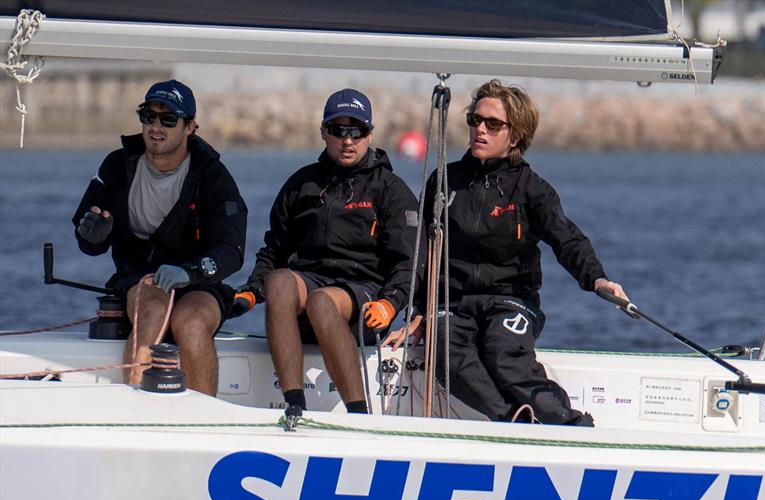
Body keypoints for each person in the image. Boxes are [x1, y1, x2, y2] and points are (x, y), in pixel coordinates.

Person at [386, 79, 628, 426]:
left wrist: (597, 279)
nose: (479, 130)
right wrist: (419, 311)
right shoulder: (444, 181)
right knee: (440, 348)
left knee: (502, 356)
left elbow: (567, 239)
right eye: (475, 120)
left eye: (492, 124)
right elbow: (422, 250)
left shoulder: (532, 190)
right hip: (453, 302)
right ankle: (511, 420)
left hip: (511, 300)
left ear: (515, 136)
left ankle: (568, 424)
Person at [236, 88, 419, 415]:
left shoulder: (390, 190)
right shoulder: (301, 184)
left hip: (363, 296)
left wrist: (392, 303)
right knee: (278, 282)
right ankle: (294, 405)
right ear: (323, 132)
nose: (347, 140)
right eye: (338, 130)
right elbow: (273, 250)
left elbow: (409, 261)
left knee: (323, 301)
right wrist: (251, 291)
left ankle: (359, 412)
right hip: (309, 287)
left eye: (357, 131)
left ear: (370, 134)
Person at [73, 79, 248, 396]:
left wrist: (190, 272)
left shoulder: (212, 175)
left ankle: (202, 422)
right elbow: (88, 241)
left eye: (168, 119)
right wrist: (95, 235)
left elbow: (231, 250)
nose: (156, 126)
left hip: (198, 282)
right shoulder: (117, 165)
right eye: (148, 116)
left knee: (192, 323)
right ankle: (135, 414)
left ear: (190, 127)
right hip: (139, 279)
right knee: (152, 307)